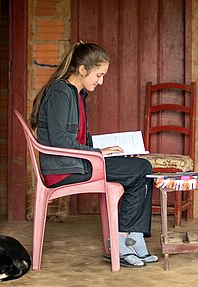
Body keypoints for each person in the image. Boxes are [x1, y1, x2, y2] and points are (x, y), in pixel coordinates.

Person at [29, 41, 157, 268]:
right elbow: (60, 140)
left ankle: (132, 239)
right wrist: (97, 152)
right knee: (142, 170)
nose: (101, 81)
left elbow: (75, 138)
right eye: (98, 75)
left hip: (78, 162)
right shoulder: (61, 93)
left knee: (141, 168)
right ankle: (122, 242)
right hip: (65, 169)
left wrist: (103, 149)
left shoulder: (76, 93)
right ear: (82, 70)